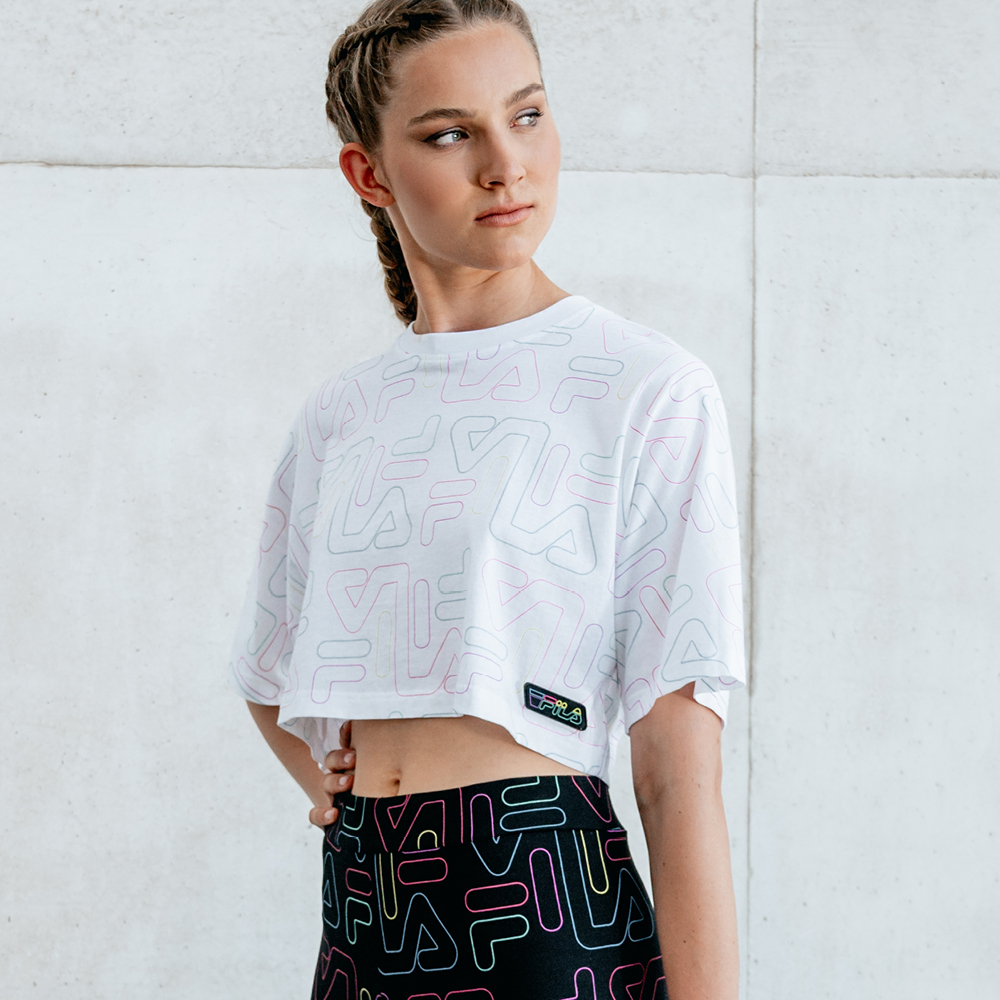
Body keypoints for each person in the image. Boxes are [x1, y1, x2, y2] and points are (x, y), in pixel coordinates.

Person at [228, 2, 746, 997]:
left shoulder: (643, 387)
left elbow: (678, 771)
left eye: (527, 115)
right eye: (449, 134)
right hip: (364, 911)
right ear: (369, 174)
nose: (506, 165)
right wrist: (335, 784)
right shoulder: (342, 414)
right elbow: (270, 667)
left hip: (541, 899)